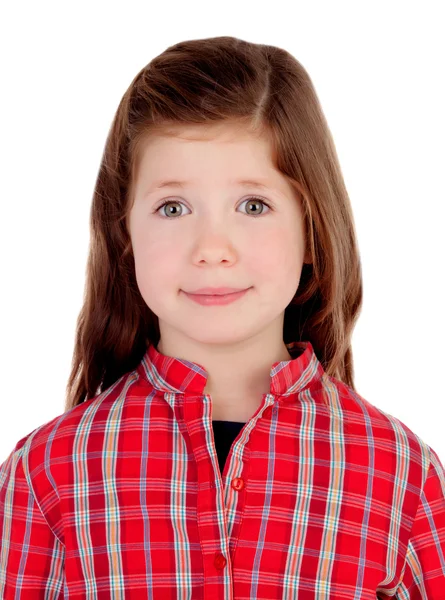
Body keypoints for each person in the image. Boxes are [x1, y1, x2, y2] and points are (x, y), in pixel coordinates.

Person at [1, 35, 444, 599]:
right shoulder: (45, 475)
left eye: (253, 206)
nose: (212, 247)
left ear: (312, 230)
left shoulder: (403, 478)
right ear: (125, 236)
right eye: (173, 207)